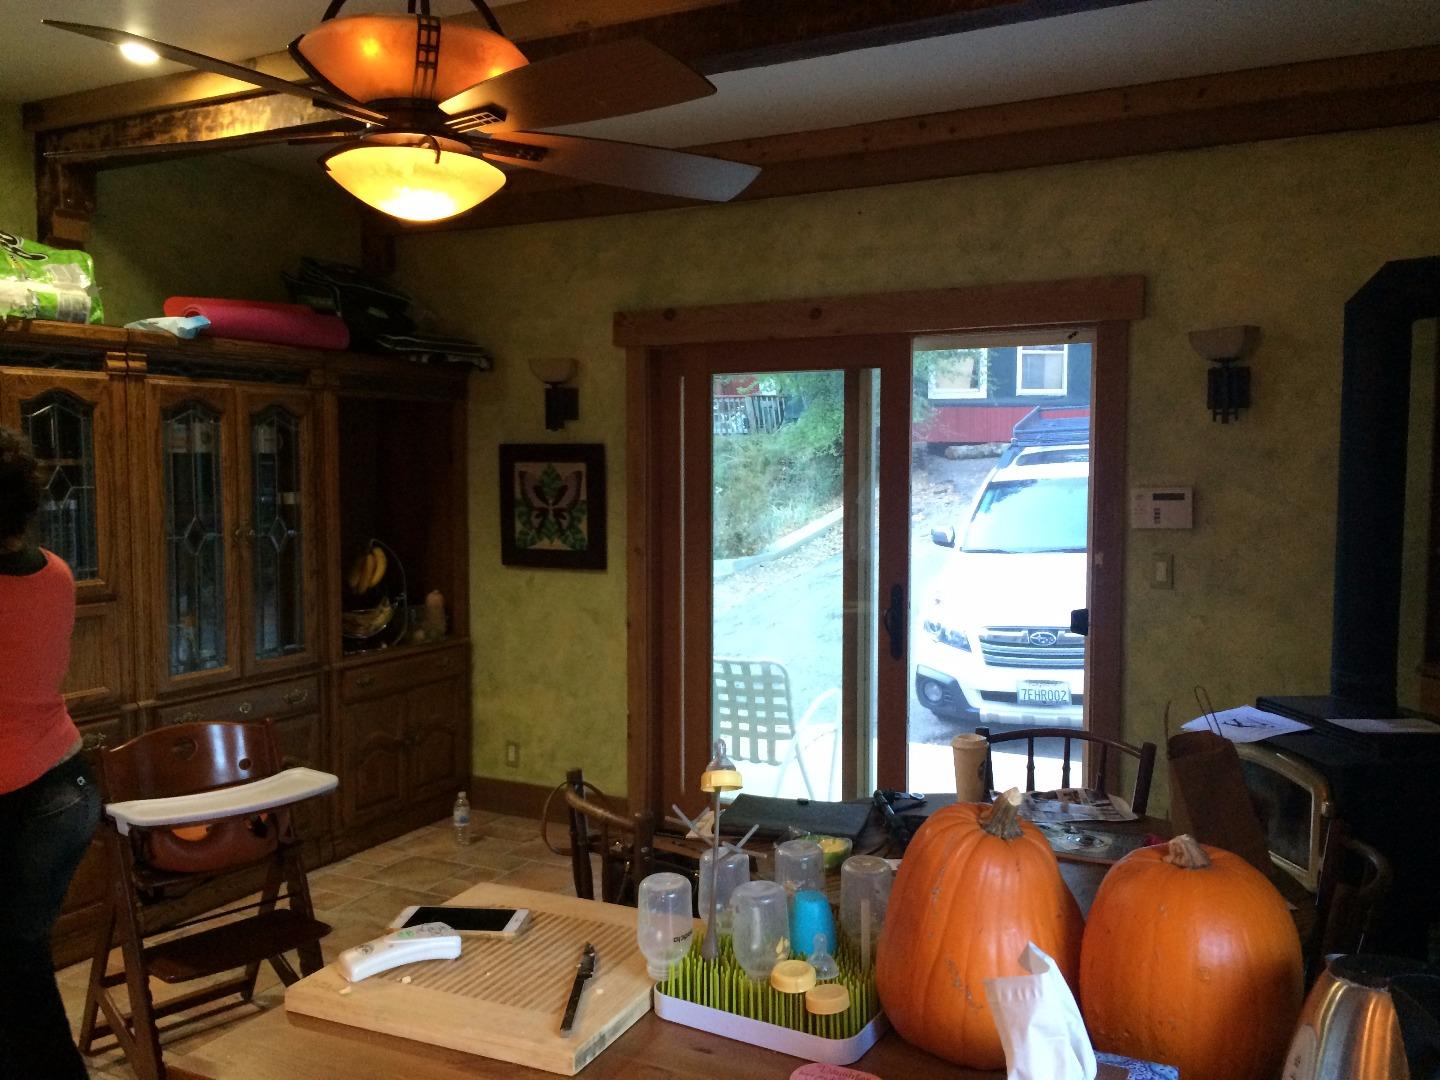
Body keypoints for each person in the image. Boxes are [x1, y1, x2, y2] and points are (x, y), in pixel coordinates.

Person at [0, 424, 101, 1079]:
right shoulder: (57, 573)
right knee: (18, 959)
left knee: (13, 969)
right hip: (68, 787)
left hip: (21, 800)